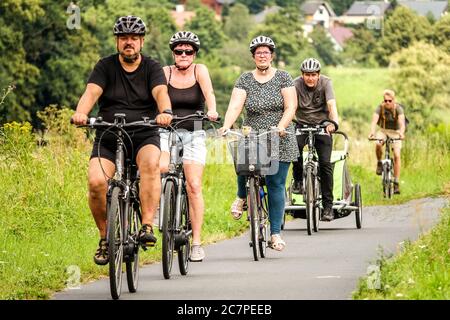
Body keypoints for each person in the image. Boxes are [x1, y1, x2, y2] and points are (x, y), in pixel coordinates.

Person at [71, 16, 173, 265]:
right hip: (108, 133)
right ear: (117, 41)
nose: (129, 42)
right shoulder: (105, 66)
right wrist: (81, 112)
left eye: (134, 38)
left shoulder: (152, 67)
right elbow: (91, 92)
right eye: (124, 38)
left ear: (141, 42)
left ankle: (147, 225)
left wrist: (165, 112)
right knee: (96, 182)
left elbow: (161, 92)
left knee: (150, 165)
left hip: (143, 132)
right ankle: (105, 238)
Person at [219, 36, 299, 251]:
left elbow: (291, 107)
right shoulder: (245, 79)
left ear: (271, 55)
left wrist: (281, 126)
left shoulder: (283, 77)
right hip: (253, 132)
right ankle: (241, 196)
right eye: (258, 52)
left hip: (279, 135)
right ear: (253, 56)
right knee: (243, 163)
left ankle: (275, 234)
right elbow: (235, 106)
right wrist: (227, 126)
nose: (262, 55)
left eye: (266, 52)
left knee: (275, 185)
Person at [159, 31, 218, 262]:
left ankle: (196, 243)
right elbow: (156, 97)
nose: (183, 55)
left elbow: (209, 94)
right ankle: (157, 212)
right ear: (173, 52)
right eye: (179, 51)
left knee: (193, 185)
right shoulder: (165, 72)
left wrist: (212, 110)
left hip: (194, 131)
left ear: (194, 53)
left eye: (188, 51)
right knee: (161, 168)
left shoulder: (199, 70)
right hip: (167, 130)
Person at [291, 58, 339, 222]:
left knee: (325, 164)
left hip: (323, 125)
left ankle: (328, 207)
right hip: (301, 124)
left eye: (313, 75)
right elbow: (290, 106)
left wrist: (334, 123)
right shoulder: (295, 84)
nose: (310, 78)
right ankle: (298, 180)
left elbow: (331, 105)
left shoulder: (326, 83)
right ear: (302, 75)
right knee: (293, 149)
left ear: (318, 75)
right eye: (307, 75)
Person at [368, 89, 406, 194]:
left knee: (397, 155)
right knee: (378, 144)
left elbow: (402, 123)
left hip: (396, 132)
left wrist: (401, 133)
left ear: (394, 100)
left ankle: (396, 182)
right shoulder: (380, 108)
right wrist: (372, 132)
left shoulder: (398, 109)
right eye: (385, 100)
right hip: (383, 130)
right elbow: (374, 121)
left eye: (390, 100)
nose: (387, 103)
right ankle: (379, 162)